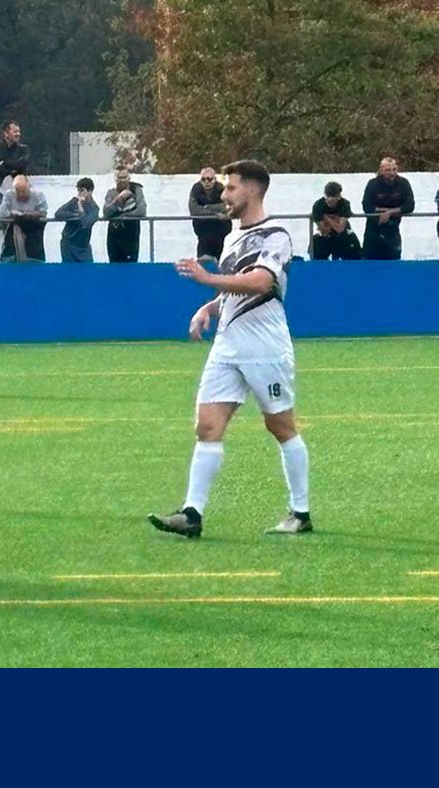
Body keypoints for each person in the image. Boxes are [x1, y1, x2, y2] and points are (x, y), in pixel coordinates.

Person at [150, 159, 311, 538]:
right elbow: (234, 288)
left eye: (231, 187)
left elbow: (260, 282)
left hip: (265, 348)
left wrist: (208, 280)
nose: (224, 194)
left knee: (280, 425)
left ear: (252, 190)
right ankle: (192, 514)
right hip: (227, 346)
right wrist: (210, 307)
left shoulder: (276, 235)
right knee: (207, 426)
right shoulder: (232, 238)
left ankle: (301, 512)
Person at [361, 157, 414, 260]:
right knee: (369, 263)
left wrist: (390, 212)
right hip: (374, 229)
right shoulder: (373, 184)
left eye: (394, 169)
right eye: (388, 170)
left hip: (393, 229)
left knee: (393, 261)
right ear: (381, 170)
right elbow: (366, 206)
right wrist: (382, 212)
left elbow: (410, 205)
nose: (392, 173)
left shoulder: (403, 183)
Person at [0, 174, 48, 262]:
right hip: (12, 239)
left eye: (23, 191)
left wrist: (26, 215)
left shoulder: (38, 196)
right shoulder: (9, 195)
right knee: (9, 262)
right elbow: (1, 213)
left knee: (35, 263)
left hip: (34, 237)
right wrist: (12, 213)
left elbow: (43, 212)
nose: (21, 194)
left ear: (29, 187)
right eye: (18, 191)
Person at [104, 167, 147, 263]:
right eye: (120, 177)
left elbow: (142, 211)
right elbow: (106, 213)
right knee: (114, 266)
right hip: (114, 236)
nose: (122, 180)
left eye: (124, 177)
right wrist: (118, 199)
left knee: (130, 266)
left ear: (129, 178)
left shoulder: (136, 190)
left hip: (130, 235)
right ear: (116, 179)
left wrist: (124, 217)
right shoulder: (111, 193)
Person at [0, 121, 29, 216]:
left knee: (19, 217)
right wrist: (12, 170)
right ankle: (6, 228)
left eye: (19, 131)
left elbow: (23, 164)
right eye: (15, 131)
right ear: (6, 133)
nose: (18, 134)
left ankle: (9, 228)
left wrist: (4, 162)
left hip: (18, 190)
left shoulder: (23, 149)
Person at [310, 182, 362, 260]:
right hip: (326, 237)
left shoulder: (344, 204)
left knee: (352, 245)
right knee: (316, 244)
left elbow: (340, 229)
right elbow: (324, 231)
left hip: (343, 236)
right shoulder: (318, 205)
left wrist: (326, 217)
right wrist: (335, 219)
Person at [188, 167, 232, 259]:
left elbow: (227, 206)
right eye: (203, 179)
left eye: (209, 179)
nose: (206, 182)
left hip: (220, 232)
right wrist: (215, 213)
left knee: (222, 262)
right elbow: (194, 210)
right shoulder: (196, 190)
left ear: (214, 180)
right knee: (204, 263)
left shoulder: (222, 189)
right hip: (203, 232)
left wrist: (208, 207)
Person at [53, 178, 99, 263]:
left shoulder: (94, 208)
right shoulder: (74, 202)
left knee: (88, 272)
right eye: (78, 190)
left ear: (90, 191)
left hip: (83, 245)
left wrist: (81, 211)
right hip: (68, 243)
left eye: (82, 190)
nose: (79, 193)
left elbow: (86, 224)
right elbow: (58, 214)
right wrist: (75, 215)